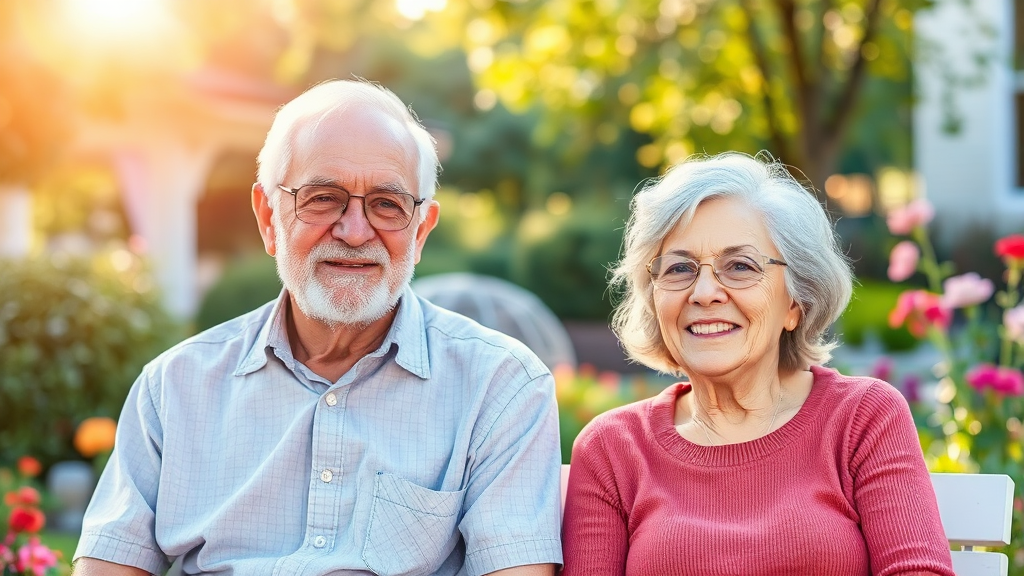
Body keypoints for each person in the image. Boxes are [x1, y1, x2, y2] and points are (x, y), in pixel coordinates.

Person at [73, 79, 563, 576]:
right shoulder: (174, 387)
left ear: (420, 232)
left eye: (387, 204)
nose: (354, 231)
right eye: (323, 198)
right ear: (269, 217)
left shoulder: (500, 386)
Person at [560, 152, 954, 576]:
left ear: (796, 303)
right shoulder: (612, 449)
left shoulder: (862, 418)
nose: (705, 292)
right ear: (655, 301)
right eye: (679, 268)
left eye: (740, 266)